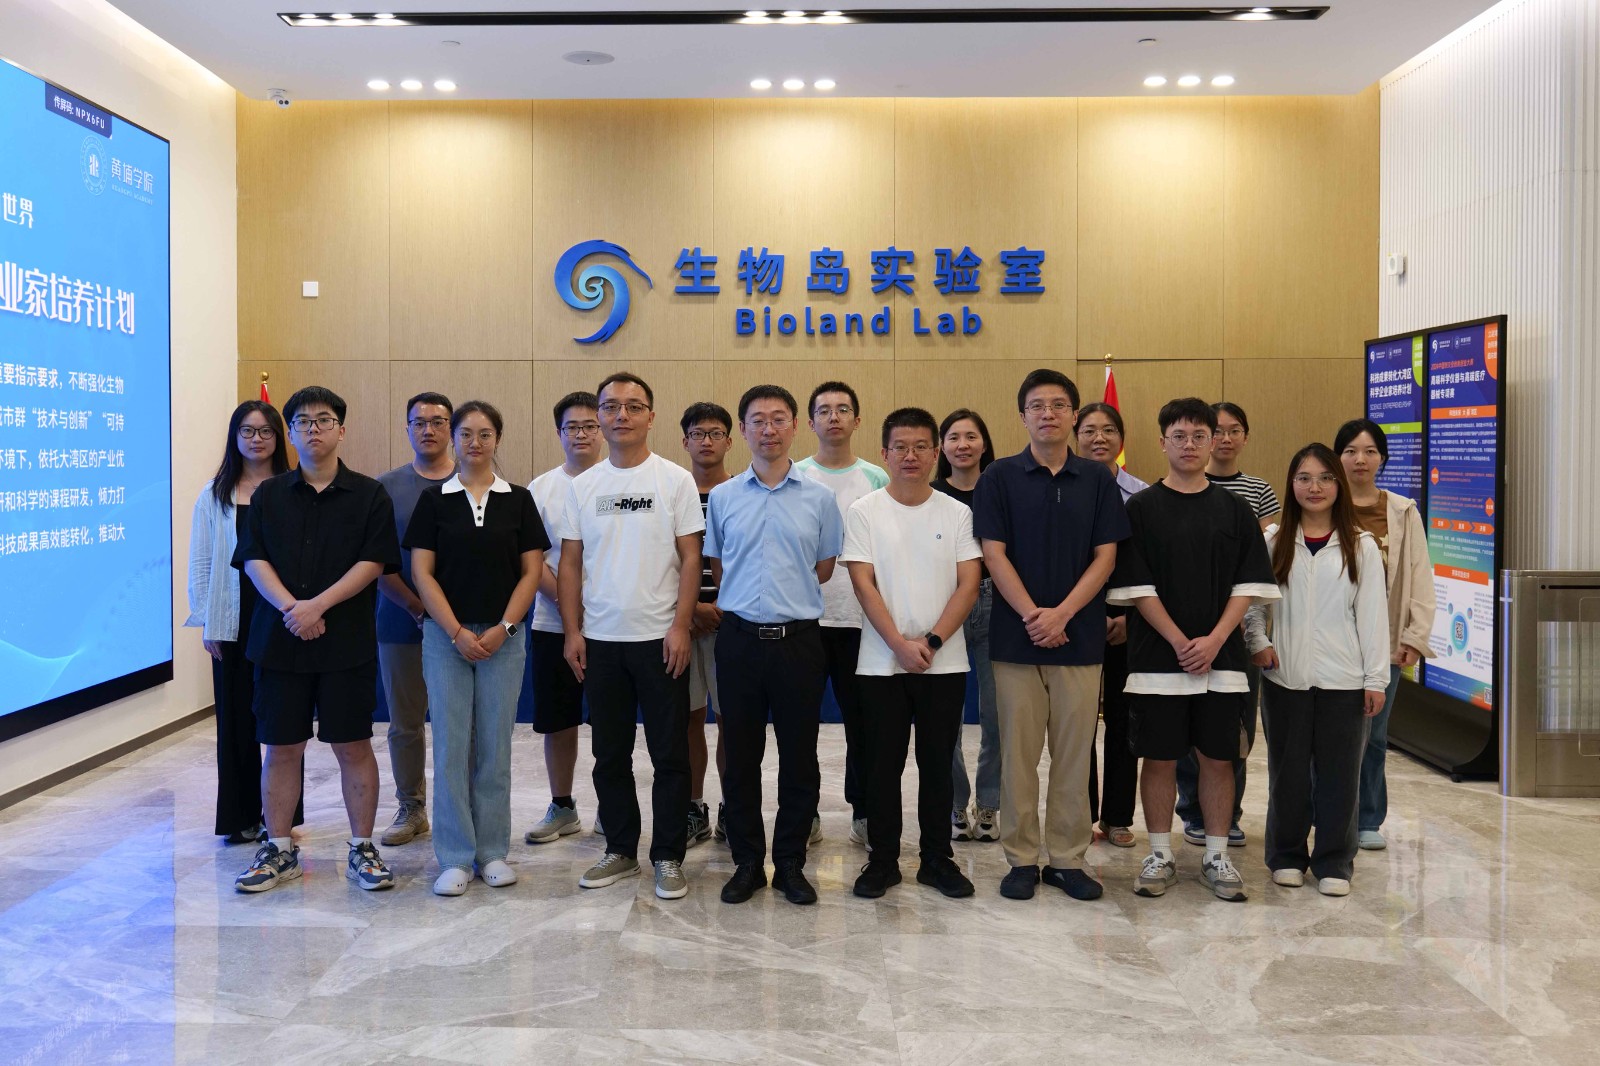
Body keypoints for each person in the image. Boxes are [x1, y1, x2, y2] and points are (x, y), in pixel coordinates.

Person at [1107, 397, 1279, 903]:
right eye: (1179, 436)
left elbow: (1248, 585)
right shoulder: (1140, 509)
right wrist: (1181, 641)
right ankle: (1160, 853)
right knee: (1159, 758)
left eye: (1199, 436)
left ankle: (1216, 856)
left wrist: (1216, 639)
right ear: (1163, 442)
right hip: (1157, 658)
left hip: (1221, 659)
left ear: (1213, 442)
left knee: (1219, 759)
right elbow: (1137, 588)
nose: (1189, 445)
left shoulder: (1236, 509)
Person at [232, 386, 402, 894]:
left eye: (324, 420)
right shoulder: (268, 495)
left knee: (353, 746)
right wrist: (293, 608)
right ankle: (279, 849)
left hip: (345, 643)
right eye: (303, 422)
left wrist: (317, 606)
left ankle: (362, 848)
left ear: (341, 430)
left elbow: (374, 562)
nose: (313, 429)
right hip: (279, 641)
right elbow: (253, 559)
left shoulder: (370, 494)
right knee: (282, 748)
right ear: (291, 432)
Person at [972, 369, 1129, 902]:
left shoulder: (1098, 479)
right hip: (1016, 639)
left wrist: (1061, 614)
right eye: (1037, 405)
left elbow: (1106, 556)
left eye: (1059, 405)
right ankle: (1020, 858)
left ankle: (1066, 859)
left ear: (1073, 415)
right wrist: (1035, 616)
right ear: (1023, 416)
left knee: (1074, 754)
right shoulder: (999, 476)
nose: (1048, 414)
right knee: (1018, 755)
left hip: (1079, 639)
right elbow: (993, 554)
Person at [557, 371, 704, 901]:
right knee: (610, 754)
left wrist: (681, 625)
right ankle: (620, 849)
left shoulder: (675, 480)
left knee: (670, 755)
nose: (622, 415)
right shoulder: (583, 486)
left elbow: (692, 558)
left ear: (651, 416)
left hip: (661, 639)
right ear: (599, 416)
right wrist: (573, 631)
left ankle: (668, 856)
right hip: (601, 641)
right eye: (611, 406)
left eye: (633, 406)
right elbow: (569, 564)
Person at [705, 385, 842, 905]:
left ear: (795, 426)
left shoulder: (820, 498)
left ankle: (789, 863)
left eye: (779, 419)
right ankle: (746, 862)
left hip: (799, 643)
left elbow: (823, 567)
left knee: (799, 757)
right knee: (740, 757)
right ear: (742, 430)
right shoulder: (723, 497)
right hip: (738, 640)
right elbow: (719, 566)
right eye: (758, 420)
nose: (769, 429)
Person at [407, 401, 549, 895]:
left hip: (503, 639)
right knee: (450, 745)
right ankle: (454, 856)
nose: (474, 442)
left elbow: (532, 572)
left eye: (484, 434)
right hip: (445, 638)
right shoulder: (434, 501)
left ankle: (491, 852)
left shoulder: (519, 500)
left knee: (494, 745)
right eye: (465, 433)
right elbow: (422, 573)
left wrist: (505, 627)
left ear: (497, 440)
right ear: (454, 439)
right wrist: (455, 632)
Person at [846, 408, 983, 899]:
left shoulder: (957, 512)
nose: (910, 456)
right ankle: (883, 860)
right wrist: (899, 645)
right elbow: (863, 583)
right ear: (884, 453)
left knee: (937, 763)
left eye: (921, 446)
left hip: (943, 663)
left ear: (935, 452)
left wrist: (930, 642)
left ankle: (937, 859)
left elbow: (969, 585)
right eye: (900, 447)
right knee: (882, 765)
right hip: (879, 662)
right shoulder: (864, 511)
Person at [1246, 443, 1389, 896]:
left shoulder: (1360, 546)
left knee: (1340, 777)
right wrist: (1259, 642)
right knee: (1287, 774)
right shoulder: (1274, 541)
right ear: (1291, 484)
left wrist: (1375, 679)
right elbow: (1252, 603)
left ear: (1338, 485)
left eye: (1325, 478)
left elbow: (1373, 617)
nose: (1315, 487)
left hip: (1344, 682)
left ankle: (1334, 862)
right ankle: (1286, 855)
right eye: (1304, 478)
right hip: (1285, 678)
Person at [186, 400, 302, 844]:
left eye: (266, 431)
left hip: (281, 617)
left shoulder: (293, 488)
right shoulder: (215, 494)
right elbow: (201, 561)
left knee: (282, 723)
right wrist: (207, 620)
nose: (257, 439)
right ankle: (241, 817)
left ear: (279, 437)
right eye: (248, 431)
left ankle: (280, 818)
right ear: (235, 437)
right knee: (235, 722)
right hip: (231, 617)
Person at [1176, 400, 1281, 847]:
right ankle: (1192, 810)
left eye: (1233, 430)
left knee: (1234, 728)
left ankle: (1229, 811)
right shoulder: (1176, 487)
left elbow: (1263, 561)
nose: (1223, 438)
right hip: (1183, 631)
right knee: (1183, 729)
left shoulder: (1257, 491)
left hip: (1239, 627)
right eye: (1215, 430)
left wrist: (1245, 629)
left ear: (1245, 437)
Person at [1334, 418, 1435, 851]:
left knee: (1373, 734)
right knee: (1329, 736)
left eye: (1370, 451)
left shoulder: (1402, 511)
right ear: (1337, 458)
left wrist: (1414, 635)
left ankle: (1368, 818)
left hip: (1385, 641)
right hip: (1331, 640)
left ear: (1383, 459)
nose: (1360, 459)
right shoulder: (1323, 502)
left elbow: (1420, 574)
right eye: (1351, 451)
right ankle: (1328, 813)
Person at [795, 381, 888, 846]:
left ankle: (865, 812)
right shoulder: (794, 475)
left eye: (843, 409)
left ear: (857, 420)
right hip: (805, 622)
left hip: (860, 622)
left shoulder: (877, 477)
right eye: (824, 410)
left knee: (863, 725)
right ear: (810, 422)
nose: (834, 417)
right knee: (800, 725)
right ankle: (805, 812)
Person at [524, 392, 605, 845]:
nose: (582, 434)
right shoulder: (540, 489)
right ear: (559, 433)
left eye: (590, 426)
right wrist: (570, 605)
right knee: (558, 721)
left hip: (614, 626)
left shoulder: (620, 482)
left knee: (611, 720)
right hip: (552, 622)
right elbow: (532, 560)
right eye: (572, 427)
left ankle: (612, 807)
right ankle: (562, 806)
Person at [375, 391, 455, 848]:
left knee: (457, 724)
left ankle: (457, 810)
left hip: (462, 628)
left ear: (451, 428)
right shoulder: (385, 488)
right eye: (419, 422)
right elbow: (376, 561)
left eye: (438, 421)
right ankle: (411, 806)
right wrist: (416, 608)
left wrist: (448, 618)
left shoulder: (473, 480)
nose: (428, 429)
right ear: (407, 429)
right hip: (400, 621)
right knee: (405, 723)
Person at [1074, 402, 1148, 849]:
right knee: (1078, 722)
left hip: (1128, 620)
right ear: (1075, 437)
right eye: (1089, 430)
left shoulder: (1142, 496)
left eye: (1108, 430)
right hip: (1076, 619)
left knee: (1123, 721)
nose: (1098, 438)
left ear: (1122, 438)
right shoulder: (1064, 489)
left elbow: (1148, 565)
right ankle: (1080, 815)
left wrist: (1126, 615)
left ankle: (1117, 817)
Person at [932, 408, 1000, 844]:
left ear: (984, 443)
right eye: (954, 437)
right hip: (946, 603)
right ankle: (956, 802)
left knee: (997, 716)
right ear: (942, 446)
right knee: (946, 718)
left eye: (971, 436)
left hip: (997, 604)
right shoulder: (931, 493)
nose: (962, 445)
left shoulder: (1000, 489)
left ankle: (989, 802)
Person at [681, 401, 732, 847]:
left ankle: (733, 807)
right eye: (698, 434)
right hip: (680, 623)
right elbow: (660, 559)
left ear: (730, 441)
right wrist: (690, 608)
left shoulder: (741, 492)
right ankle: (693, 807)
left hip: (731, 624)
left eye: (715, 433)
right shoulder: (672, 492)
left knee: (731, 719)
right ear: (685, 442)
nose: (707, 441)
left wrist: (721, 607)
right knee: (688, 718)